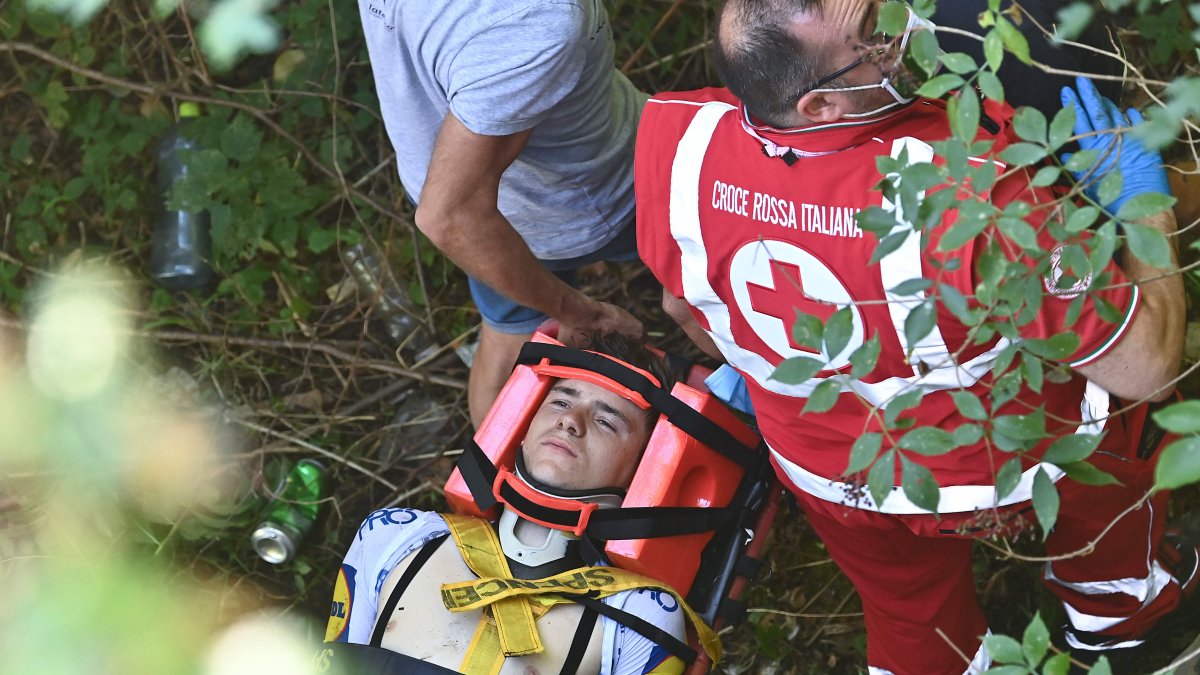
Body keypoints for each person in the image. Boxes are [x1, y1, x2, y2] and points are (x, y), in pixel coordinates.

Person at [634, 1, 1194, 673]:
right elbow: (1147, 366)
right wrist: (1144, 207)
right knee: (1121, 420)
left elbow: (681, 305)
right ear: (820, 105)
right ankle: (1121, 615)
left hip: (829, 474)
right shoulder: (973, 192)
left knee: (910, 620)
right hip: (996, 469)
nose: (906, 23)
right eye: (874, 32)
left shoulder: (679, 140)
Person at [319, 335, 696, 675]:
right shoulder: (394, 535)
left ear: (643, 469)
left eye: (605, 421)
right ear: (524, 425)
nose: (570, 420)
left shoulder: (642, 614)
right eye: (560, 401)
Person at [356, 0, 646, 428]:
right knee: (711, 285)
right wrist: (581, 313)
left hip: (477, 202)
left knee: (506, 346)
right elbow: (447, 216)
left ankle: (491, 472)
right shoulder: (535, 16)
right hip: (573, 198)